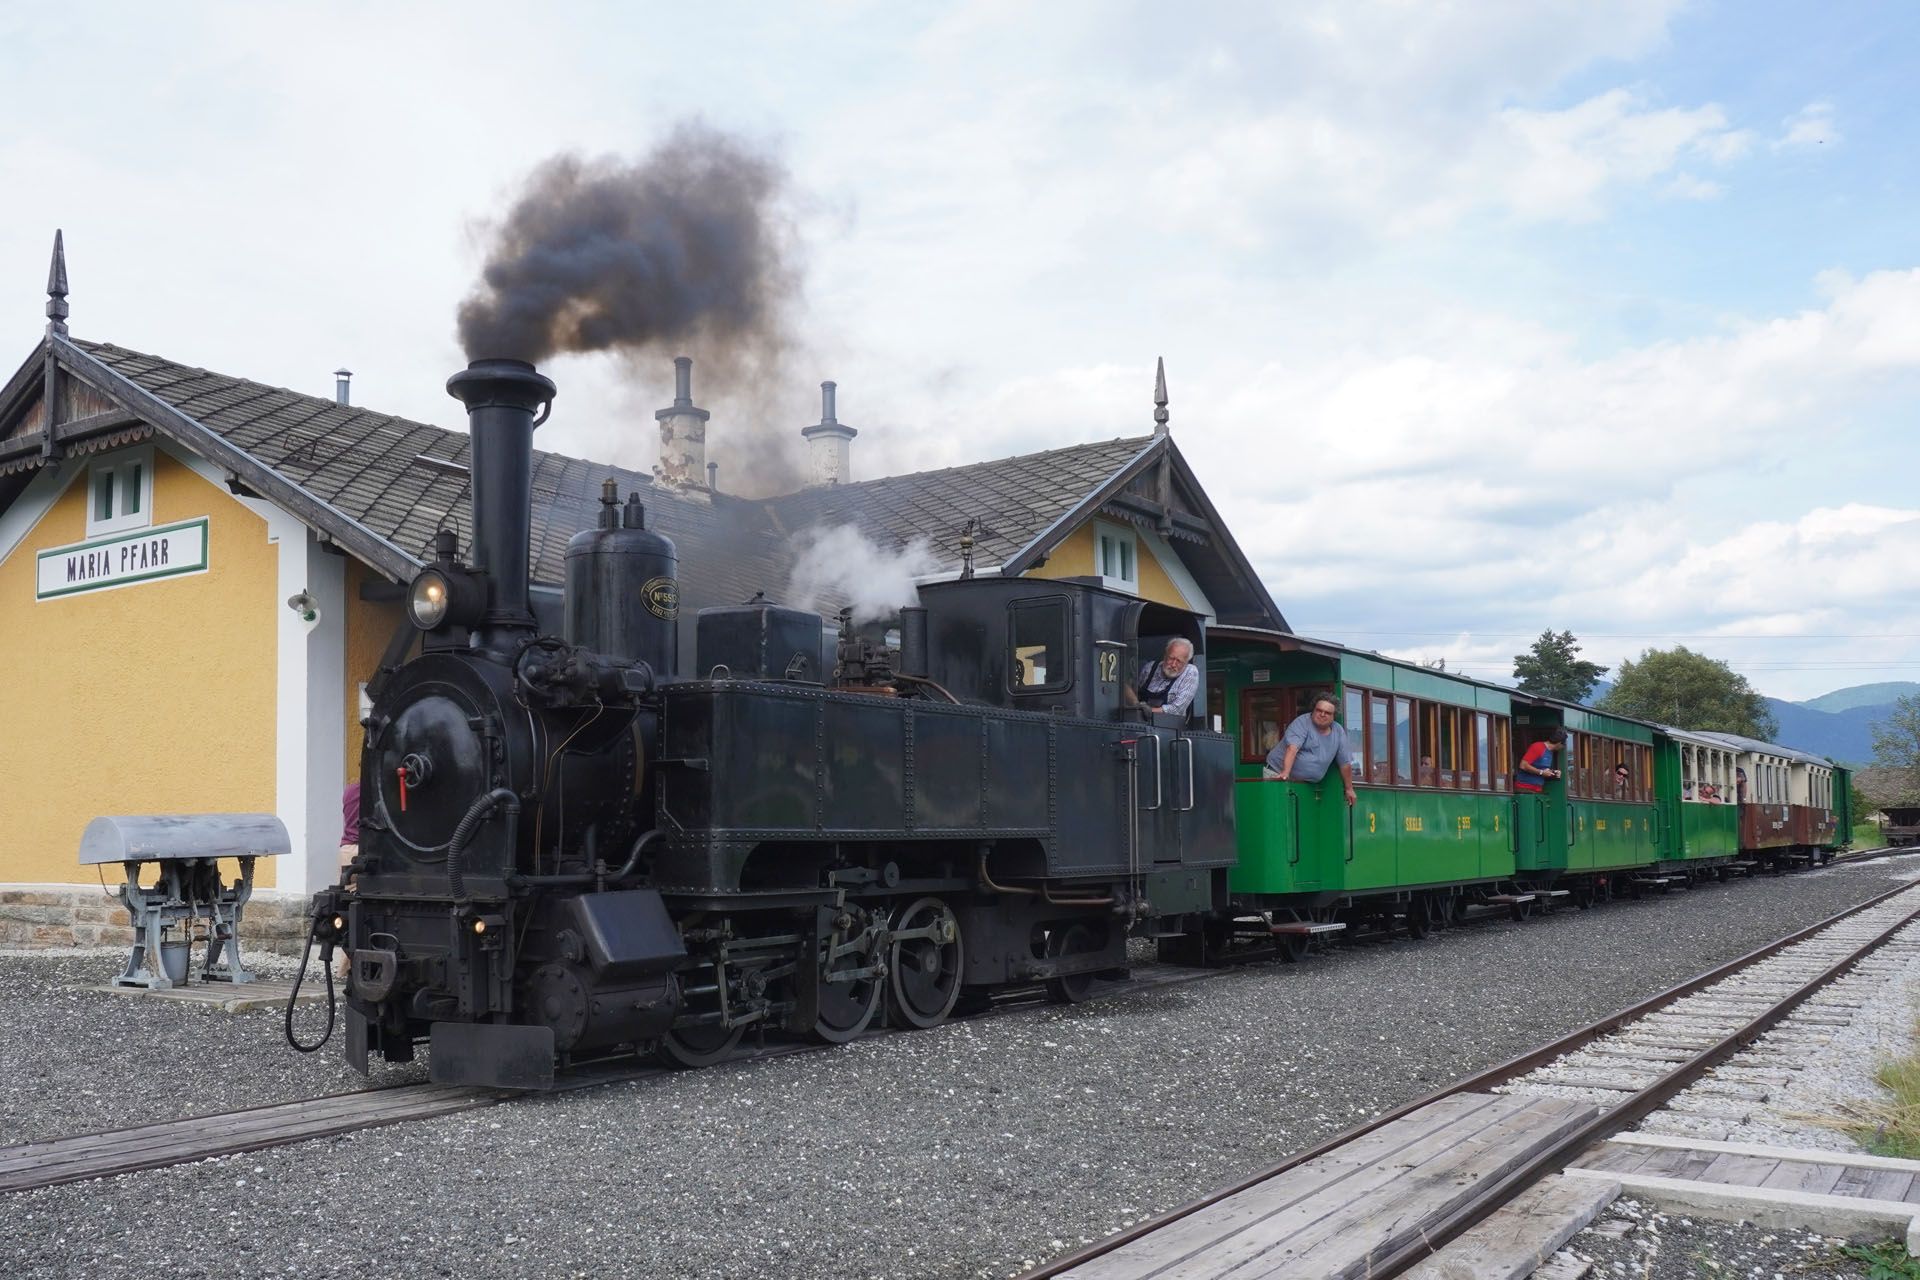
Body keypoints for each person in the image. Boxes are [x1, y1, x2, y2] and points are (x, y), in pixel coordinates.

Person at [1264, 693, 1358, 805]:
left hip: (1308, 785)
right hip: (1277, 774)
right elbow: (1292, 748)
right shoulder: (1301, 722)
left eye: (1327, 713)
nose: (1322, 714)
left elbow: (1345, 763)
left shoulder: (1338, 731)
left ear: (1334, 716)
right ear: (1313, 710)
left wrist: (1349, 789)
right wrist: (1285, 773)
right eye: (1319, 710)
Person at [1134, 638, 1200, 717]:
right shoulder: (1150, 668)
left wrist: (1148, 711)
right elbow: (1135, 692)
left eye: (1179, 661)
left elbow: (1177, 709)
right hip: (1140, 722)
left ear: (1186, 662)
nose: (1173, 664)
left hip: (1170, 726)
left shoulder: (1190, 672)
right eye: (1171, 658)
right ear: (1165, 655)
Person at [1514, 728, 1566, 793]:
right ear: (1559, 743)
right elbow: (1523, 765)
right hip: (1524, 788)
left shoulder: (1550, 752)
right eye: (1564, 745)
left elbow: (1541, 768)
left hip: (1537, 789)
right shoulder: (1538, 747)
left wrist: (1553, 772)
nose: (1563, 747)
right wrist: (1541, 772)